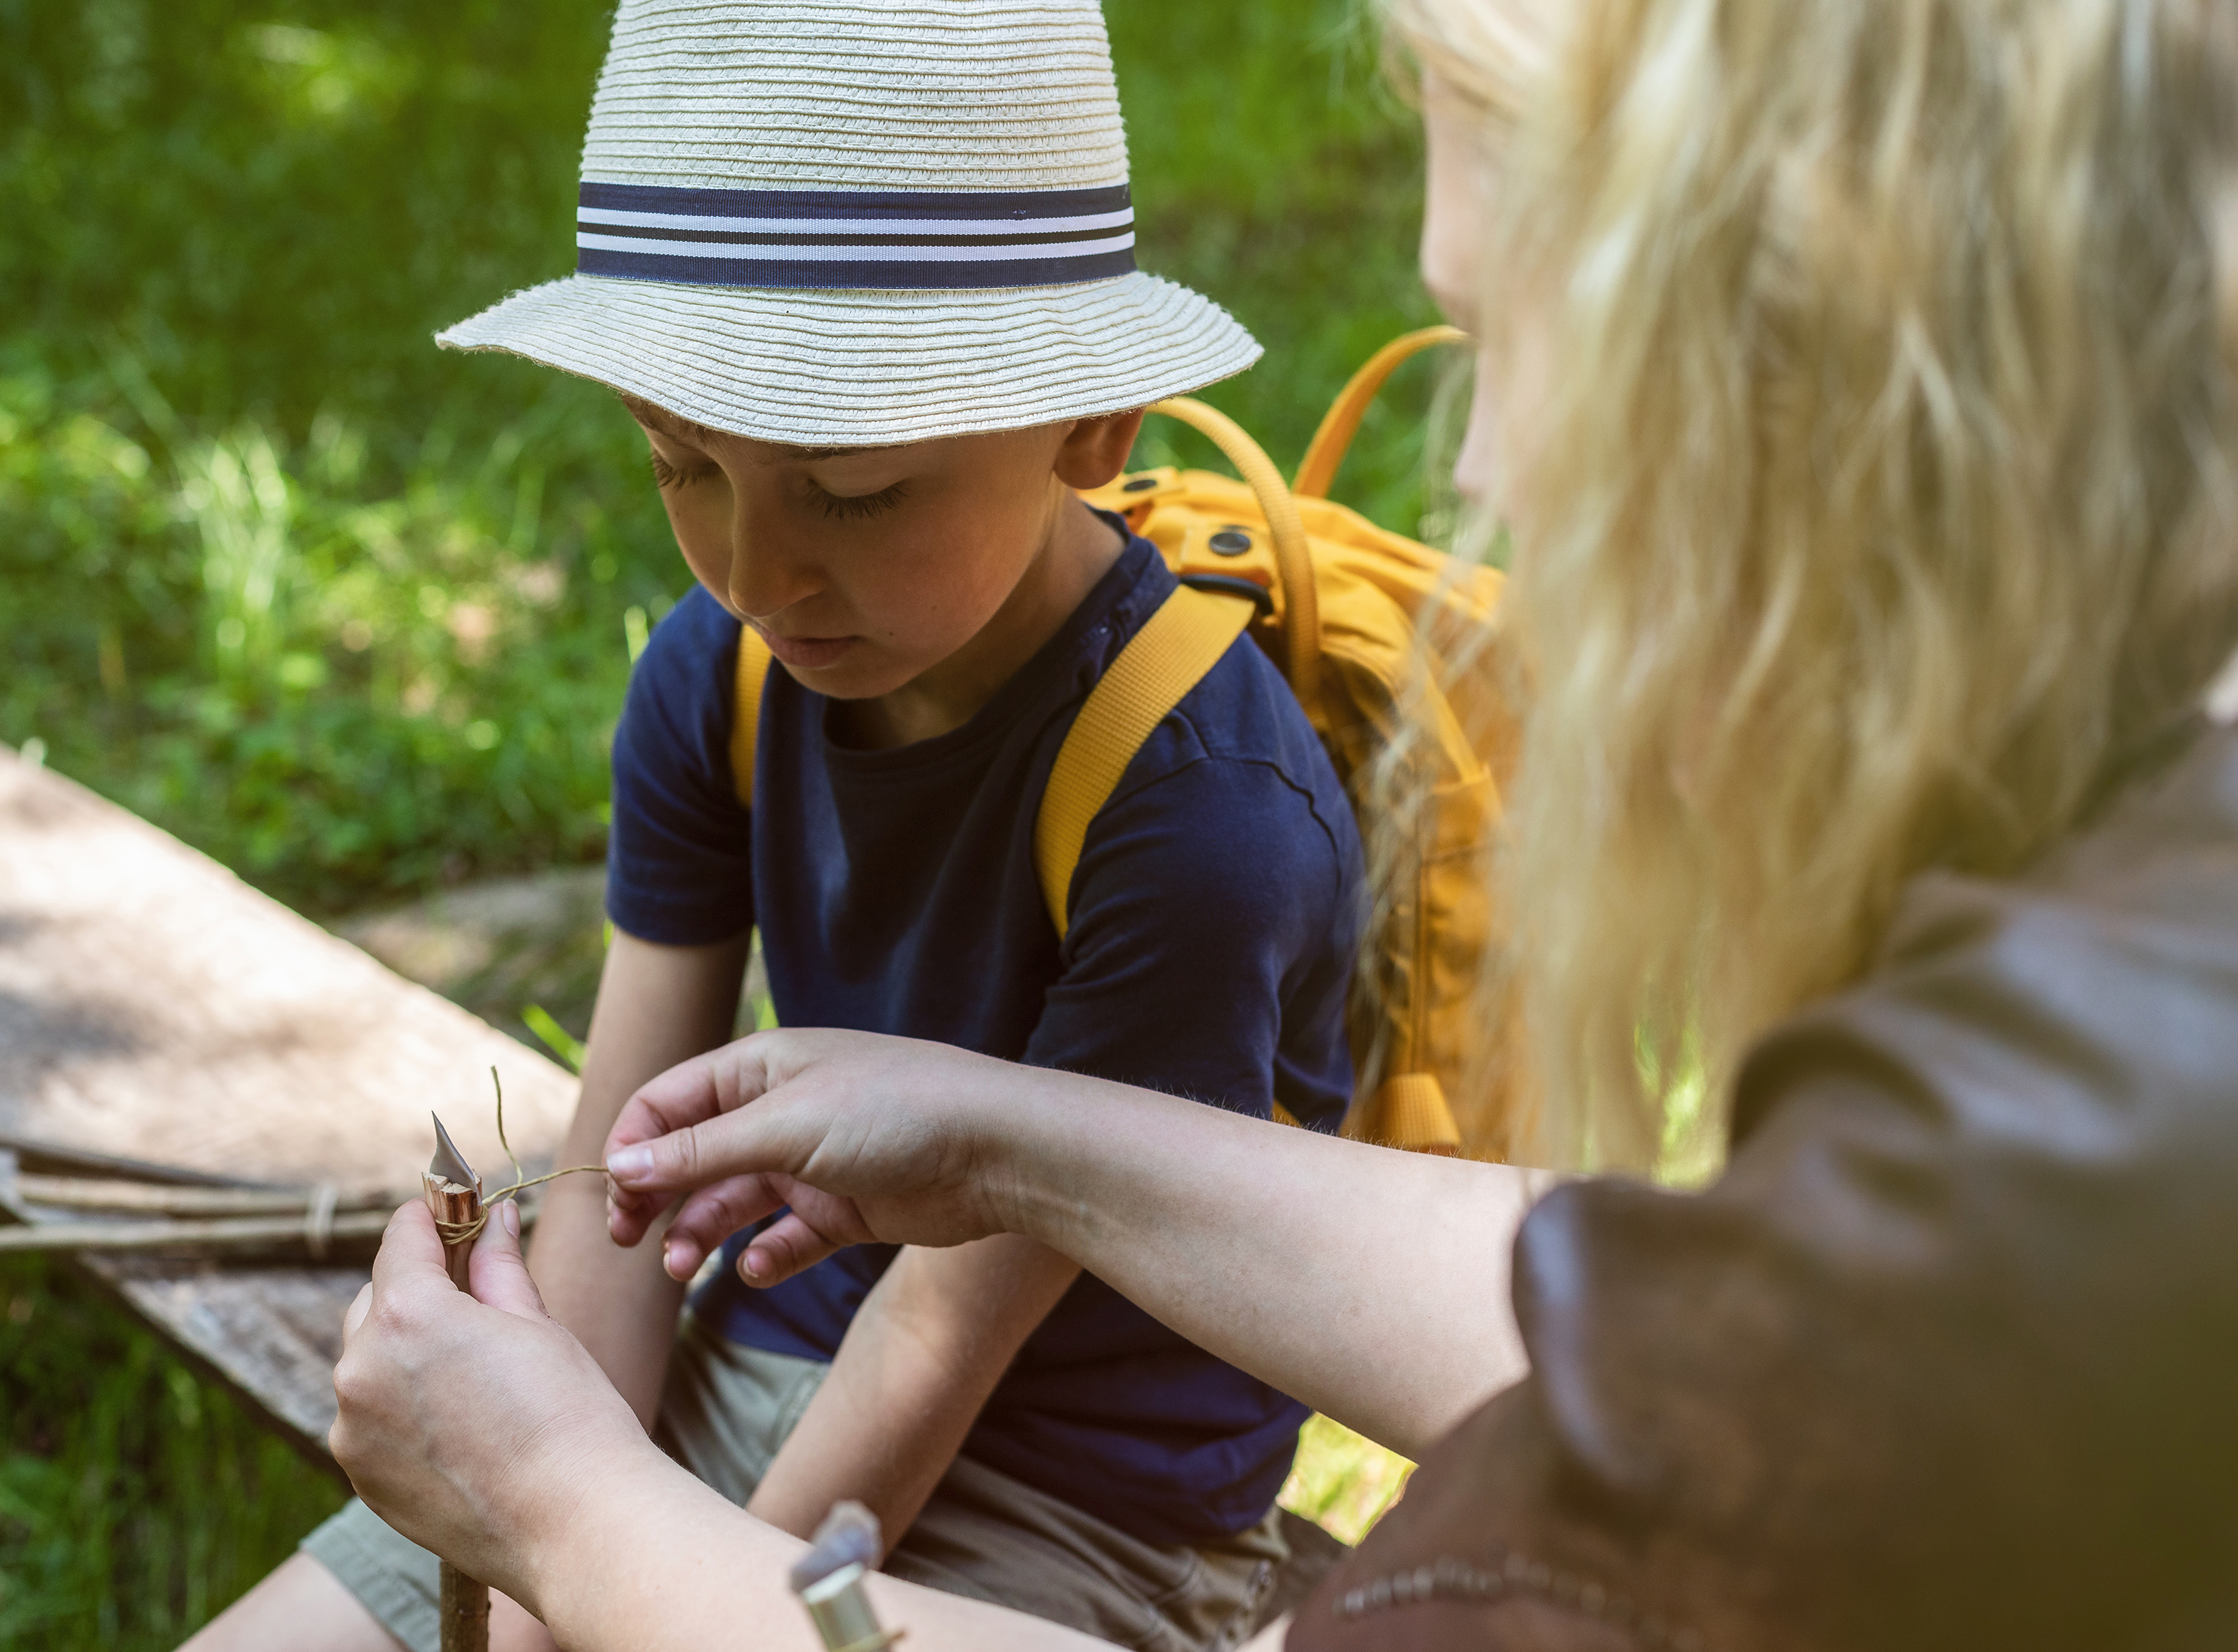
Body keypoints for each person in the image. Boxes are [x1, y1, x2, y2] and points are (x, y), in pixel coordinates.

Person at [325, 0, 2238, 1647]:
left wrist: (567, 1510)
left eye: (1499, 345)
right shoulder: (2124, 988)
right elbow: (1714, 1313)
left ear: (1810, 372)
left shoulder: (2069, 1181)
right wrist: (1011, 1139)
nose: (1479, 467)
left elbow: (1759, 1373)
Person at [190, 4, 1373, 1651]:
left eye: (854, 491)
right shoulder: (722, 676)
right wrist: (546, 1528)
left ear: (1093, 430)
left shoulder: (1193, 822)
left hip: (1068, 1507)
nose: (758, 576)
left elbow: (939, 1343)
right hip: (736, 1365)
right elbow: (616, 1173)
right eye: (684, 467)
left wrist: (596, 1576)